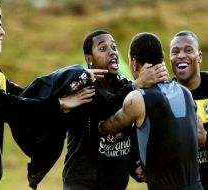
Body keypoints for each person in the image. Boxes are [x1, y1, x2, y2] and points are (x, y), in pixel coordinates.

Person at [0, 1, 101, 189]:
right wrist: (60, 103)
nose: (2, 32)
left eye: (0, 25)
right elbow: (11, 107)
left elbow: (30, 97)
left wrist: (73, 81)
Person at [62, 30, 169, 190]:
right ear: (89, 59)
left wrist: (137, 166)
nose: (112, 52)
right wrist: (136, 85)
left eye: (114, 47)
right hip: (83, 184)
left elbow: (129, 131)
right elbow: (105, 105)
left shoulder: (124, 86)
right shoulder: (82, 89)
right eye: (103, 48)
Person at [99, 32, 202, 190]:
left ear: (133, 64)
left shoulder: (137, 99)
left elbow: (107, 126)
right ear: (162, 57)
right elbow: (192, 135)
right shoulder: (185, 92)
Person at [170, 30, 208, 190]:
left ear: (199, 56)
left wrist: (205, 139)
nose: (181, 56)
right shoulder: (164, 94)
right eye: (175, 52)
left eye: (188, 50)